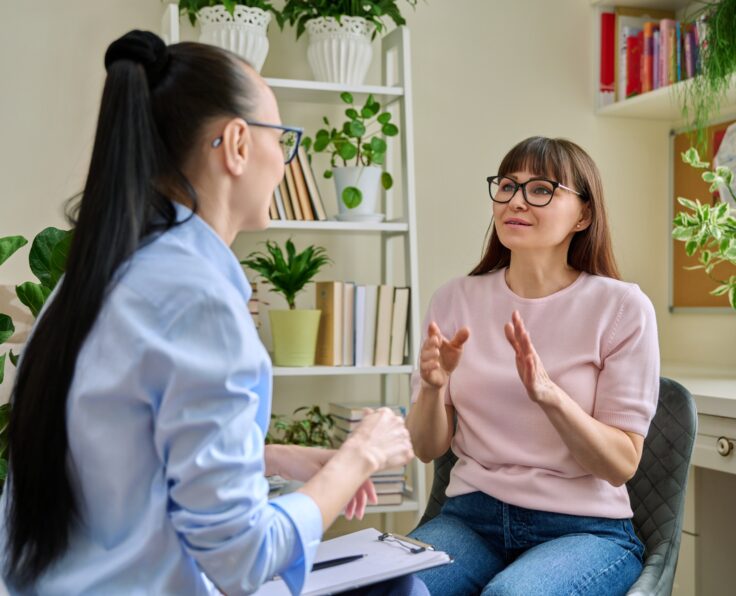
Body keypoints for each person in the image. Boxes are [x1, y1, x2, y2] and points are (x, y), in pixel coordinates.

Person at [0, 30, 426, 596]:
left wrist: (275, 457)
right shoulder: (196, 297)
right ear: (237, 144)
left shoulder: (101, 273)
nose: (285, 161)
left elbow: (126, 454)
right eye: (285, 138)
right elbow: (243, 562)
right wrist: (359, 456)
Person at [406, 136, 660, 596]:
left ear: (583, 214)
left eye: (541, 189)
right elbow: (427, 448)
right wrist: (431, 388)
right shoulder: (454, 298)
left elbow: (621, 464)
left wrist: (549, 394)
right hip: (471, 520)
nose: (516, 201)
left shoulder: (621, 307)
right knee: (392, 587)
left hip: (585, 530)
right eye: (507, 185)